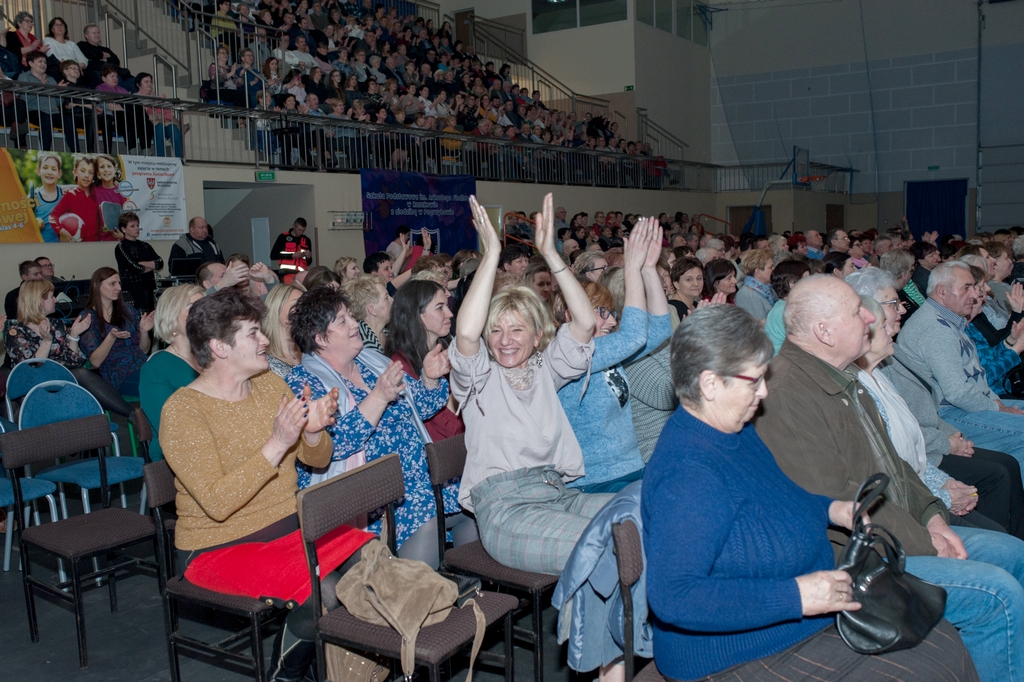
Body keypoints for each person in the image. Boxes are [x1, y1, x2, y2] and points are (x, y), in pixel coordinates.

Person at [644, 304, 976, 681]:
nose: (764, 391)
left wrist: (831, 509)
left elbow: (779, 497)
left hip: (787, 622)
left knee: (942, 641)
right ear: (710, 384)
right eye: (754, 380)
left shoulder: (733, 432)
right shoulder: (688, 475)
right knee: (925, 671)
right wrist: (796, 595)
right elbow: (675, 597)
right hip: (734, 653)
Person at [756, 274, 1024, 682]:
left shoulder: (845, 378)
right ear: (823, 331)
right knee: (998, 594)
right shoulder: (789, 393)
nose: (869, 315)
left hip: (901, 528)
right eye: (855, 312)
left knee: (1014, 555)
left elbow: (896, 467)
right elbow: (839, 498)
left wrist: (934, 516)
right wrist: (926, 541)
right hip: (858, 555)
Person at [159, 289, 359, 682]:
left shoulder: (269, 384)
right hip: (217, 546)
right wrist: (277, 443)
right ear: (219, 347)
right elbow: (217, 503)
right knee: (328, 590)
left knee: (367, 558)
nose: (266, 339)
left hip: (285, 528)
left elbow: (314, 460)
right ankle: (284, 676)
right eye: (253, 333)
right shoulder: (183, 411)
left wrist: (313, 432)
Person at [450, 194, 614, 576]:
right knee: (605, 545)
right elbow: (466, 333)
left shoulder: (545, 368)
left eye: (516, 329)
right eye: (496, 330)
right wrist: (491, 254)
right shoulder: (479, 378)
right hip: (507, 510)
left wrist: (551, 254)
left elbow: (586, 324)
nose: (504, 340)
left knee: (643, 516)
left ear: (538, 334)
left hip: (558, 494)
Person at [284, 286, 475, 569]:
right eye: (343, 321)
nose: (354, 324)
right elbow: (332, 448)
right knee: (426, 516)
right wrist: (378, 397)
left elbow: (417, 409)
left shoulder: (371, 362)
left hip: (417, 478)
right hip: (371, 497)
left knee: (470, 506)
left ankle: (467, 594)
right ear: (320, 338)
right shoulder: (304, 383)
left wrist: (431, 378)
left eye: (351, 316)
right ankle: (418, 602)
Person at [555, 218, 670, 493]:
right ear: (573, 315)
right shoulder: (571, 354)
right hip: (595, 480)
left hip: (630, 467)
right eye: (601, 312)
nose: (610, 321)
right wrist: (631, 268)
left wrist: (649, 269)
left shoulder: (606, 350)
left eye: (612, 312)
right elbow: (634, 337)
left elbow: (658, 330)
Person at [894, 261, 1024, 475]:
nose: (975, 295)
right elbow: (957, 393)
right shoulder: (935, 328)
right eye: (967, 287)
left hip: (962, 406)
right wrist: (999, 408)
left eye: (974, 287)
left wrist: (997, 403)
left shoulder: (949, 321)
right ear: (942, 291)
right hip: (946, 415)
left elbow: (978, 379)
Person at [385, 279, 464, 442]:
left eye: (447, 306)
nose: (449, 313)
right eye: (440, 308)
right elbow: (443, 432)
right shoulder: (400, 367)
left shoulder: (447, 347)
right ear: (416, 315)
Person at [140, 284, 203, 461]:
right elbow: (171, 430)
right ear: (172, 316)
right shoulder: (156, 369)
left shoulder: (216, 358)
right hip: (177, 458)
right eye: (193, 308)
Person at [79, 267, 154, 396]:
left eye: (119, 283)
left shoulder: (127, 310)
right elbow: (95, 362)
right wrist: (111, 338)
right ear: (97, 286)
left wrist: (144, 331)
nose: (118, 288)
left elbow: (144, 350)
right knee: (162, 384)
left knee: (172, 376)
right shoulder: (89, 317)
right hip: (119, 374)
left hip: (143, 365)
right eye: (112, 284)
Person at [17, 51, 78, 152]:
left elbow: (58, 103)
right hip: (33, 111)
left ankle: (76, 151)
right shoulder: (24, 77)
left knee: (68, 119)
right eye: (40, 61)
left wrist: (58, 92)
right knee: (46, 118)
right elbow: (24, 99)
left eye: (45, 62)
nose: (43, 64)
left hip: (53, 112)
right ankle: (46, 151)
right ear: (31, 63)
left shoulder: (50, 79)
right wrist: (41, 88)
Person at [114, 212, 163, 312]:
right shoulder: (121, 247)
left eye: (137, 225)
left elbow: (160, 262)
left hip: (149, 288)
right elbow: (134, 268)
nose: (136, 228)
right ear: (124, 229)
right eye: (132, 226)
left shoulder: (145, 245)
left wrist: (143, 264)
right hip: (132, 290)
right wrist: (150, 266)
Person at [47, 156, 103, 242]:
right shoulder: (70, 195)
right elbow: (53, 216)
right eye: (82, 171)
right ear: (75, 171)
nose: (86, 175)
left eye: (90, 172)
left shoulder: (97, 193)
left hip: (97, 244)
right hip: (77, 245)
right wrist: (61, 230)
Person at [764, 260, 811, 354]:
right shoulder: (784, 311)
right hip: (782, 364)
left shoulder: (788, 306)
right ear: (792, 284)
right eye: (807, 280)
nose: (811, 284)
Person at [261, 282, 306, 377]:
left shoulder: (310, 354)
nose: (304, 310)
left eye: (305, 305)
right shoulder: (263, 361)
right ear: (276, 308)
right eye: (296, 304)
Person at [342, 274, 392, 354]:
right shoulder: (363, 346)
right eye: (386, 298)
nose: (392, 300)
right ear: (372, 310)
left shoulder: (388, 333)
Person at [27, 152, 63, 242]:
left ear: (59, 173)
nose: (49, 172)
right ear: (38, 171)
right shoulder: (32, 197)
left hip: (63, 248)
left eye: (53, 169)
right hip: (42, 248)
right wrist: (34, 224)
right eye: (45, 167)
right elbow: (25, 226)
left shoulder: (64, 194)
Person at [735, 248, 777, 321]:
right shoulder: (748, 294)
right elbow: (761, 326)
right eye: (771, 267)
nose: (774, 269)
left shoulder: (767, 288)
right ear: (758, 272)